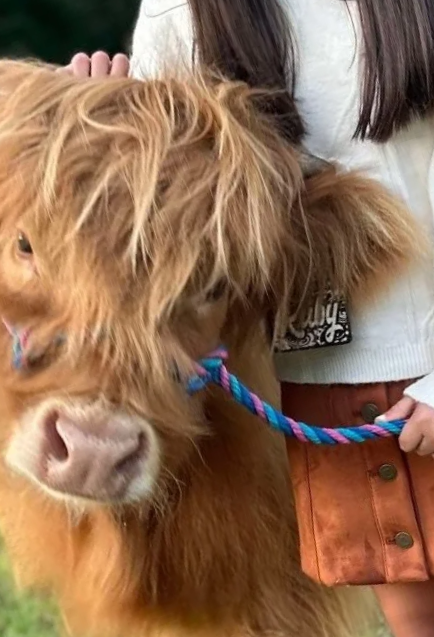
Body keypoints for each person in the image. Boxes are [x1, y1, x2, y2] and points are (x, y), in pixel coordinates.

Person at [60, 1, 434, 635]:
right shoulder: (180, 14)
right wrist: (97, 137)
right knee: (416, 614)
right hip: (334, 386)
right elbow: (177, 226)